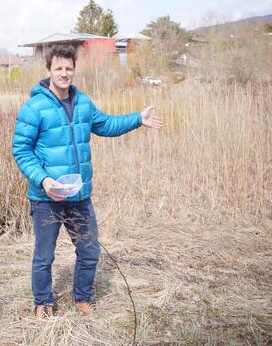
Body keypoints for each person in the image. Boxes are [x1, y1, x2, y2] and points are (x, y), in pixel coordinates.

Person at [12, 45, 162, 317]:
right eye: (58, 68)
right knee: (44, 256)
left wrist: (138, 119)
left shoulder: (83, 103)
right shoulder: (34, 108)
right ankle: (43, 302)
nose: (64, 73)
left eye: (68, 68)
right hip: (47, 198)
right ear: (49, 70)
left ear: (74, 70)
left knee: (90, 249)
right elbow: (21, 150)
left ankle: (82, 297)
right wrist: (44, 180)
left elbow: (106, 124)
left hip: (78, 195)